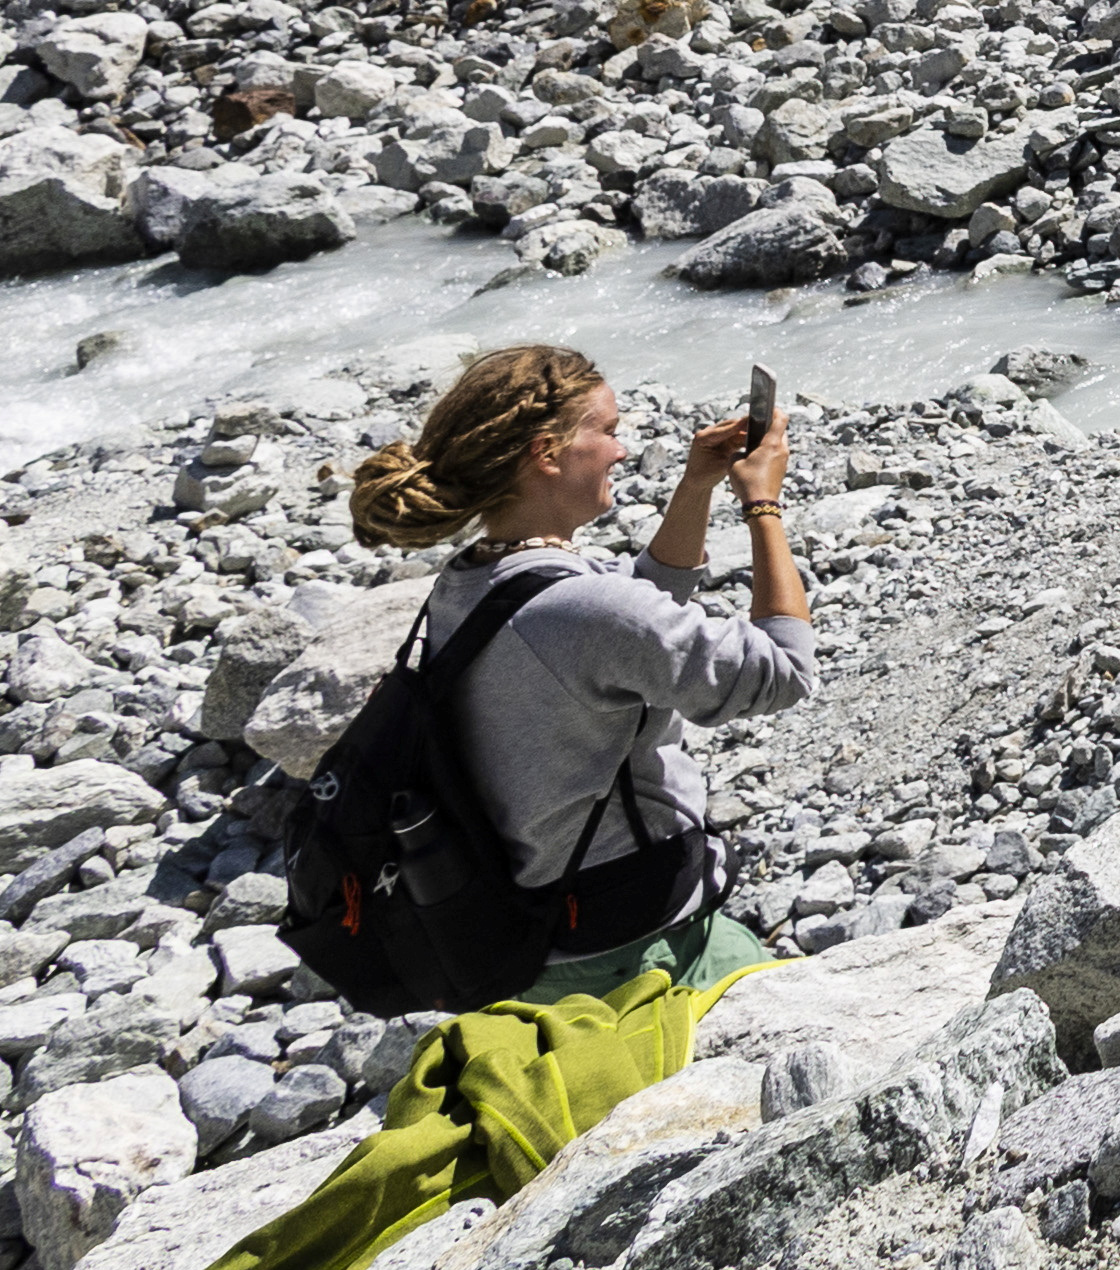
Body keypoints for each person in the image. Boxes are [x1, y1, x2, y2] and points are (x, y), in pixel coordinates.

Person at [341, 341, 813, 998]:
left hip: (545, 933)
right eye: (609, 431)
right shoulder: (584, 607)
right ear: (548, 452)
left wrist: (697, 484)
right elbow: (783, 669)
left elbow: (637, 609)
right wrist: (764, 503)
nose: (622, 450)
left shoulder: (475, 579)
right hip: (646, 948)